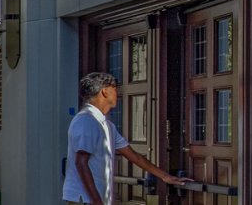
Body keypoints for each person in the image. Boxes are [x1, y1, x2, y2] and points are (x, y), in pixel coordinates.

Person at [64, 72, 190, 204]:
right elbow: (81, 162)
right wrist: (96, 200)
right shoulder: (87, 120)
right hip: (83, 199)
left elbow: (134, 156)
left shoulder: (106, 125)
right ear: (104, 92)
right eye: (114, 88)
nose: (118, 94)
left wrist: (165, 176)